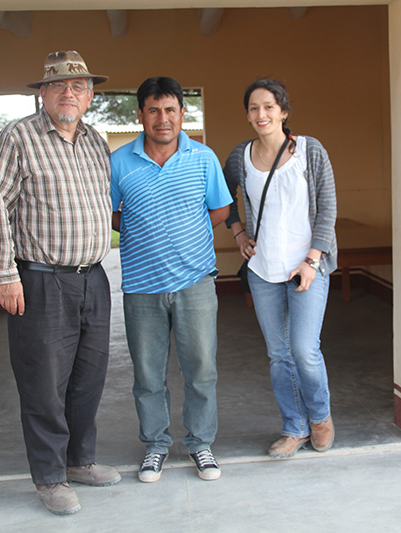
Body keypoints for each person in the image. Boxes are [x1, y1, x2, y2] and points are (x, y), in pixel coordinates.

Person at [0, 51, 119, 516]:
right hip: (39, 281)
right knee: (43, 383)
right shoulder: (18, 137)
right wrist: (5, 274)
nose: (69, 93)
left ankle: (80, 461)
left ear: (90, 96)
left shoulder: (96, 141)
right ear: (43, 93)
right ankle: (50, 476)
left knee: (88, 378)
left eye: (78, 86)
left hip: (92, 278)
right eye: (59, 86)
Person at [110, 76, 232, 483]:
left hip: (195, 283)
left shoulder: (203, 158)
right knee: (147, 373)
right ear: (140, 114)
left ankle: (201, 444)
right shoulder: (119, 162)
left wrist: (183, 231)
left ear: (182, 113)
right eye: (153, 110)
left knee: (201, 368)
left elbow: (218, 210)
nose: (163, 119)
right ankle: (156, 445)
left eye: (170, 110)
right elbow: (112, 215)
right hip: (141, 286)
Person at [223, 79, 338, 459]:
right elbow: (222, 198)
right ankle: (295, 427)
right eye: (254, 108)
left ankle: (320, 417)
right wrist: (238, 231)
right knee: (279, 355)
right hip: (263, 268)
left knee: (304, 349)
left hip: (307, 266)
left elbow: (327, 209)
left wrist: (311, 260)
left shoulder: (310, 150)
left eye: (269, 107)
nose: (261, 115)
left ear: (284, 112)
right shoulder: (241, 157)